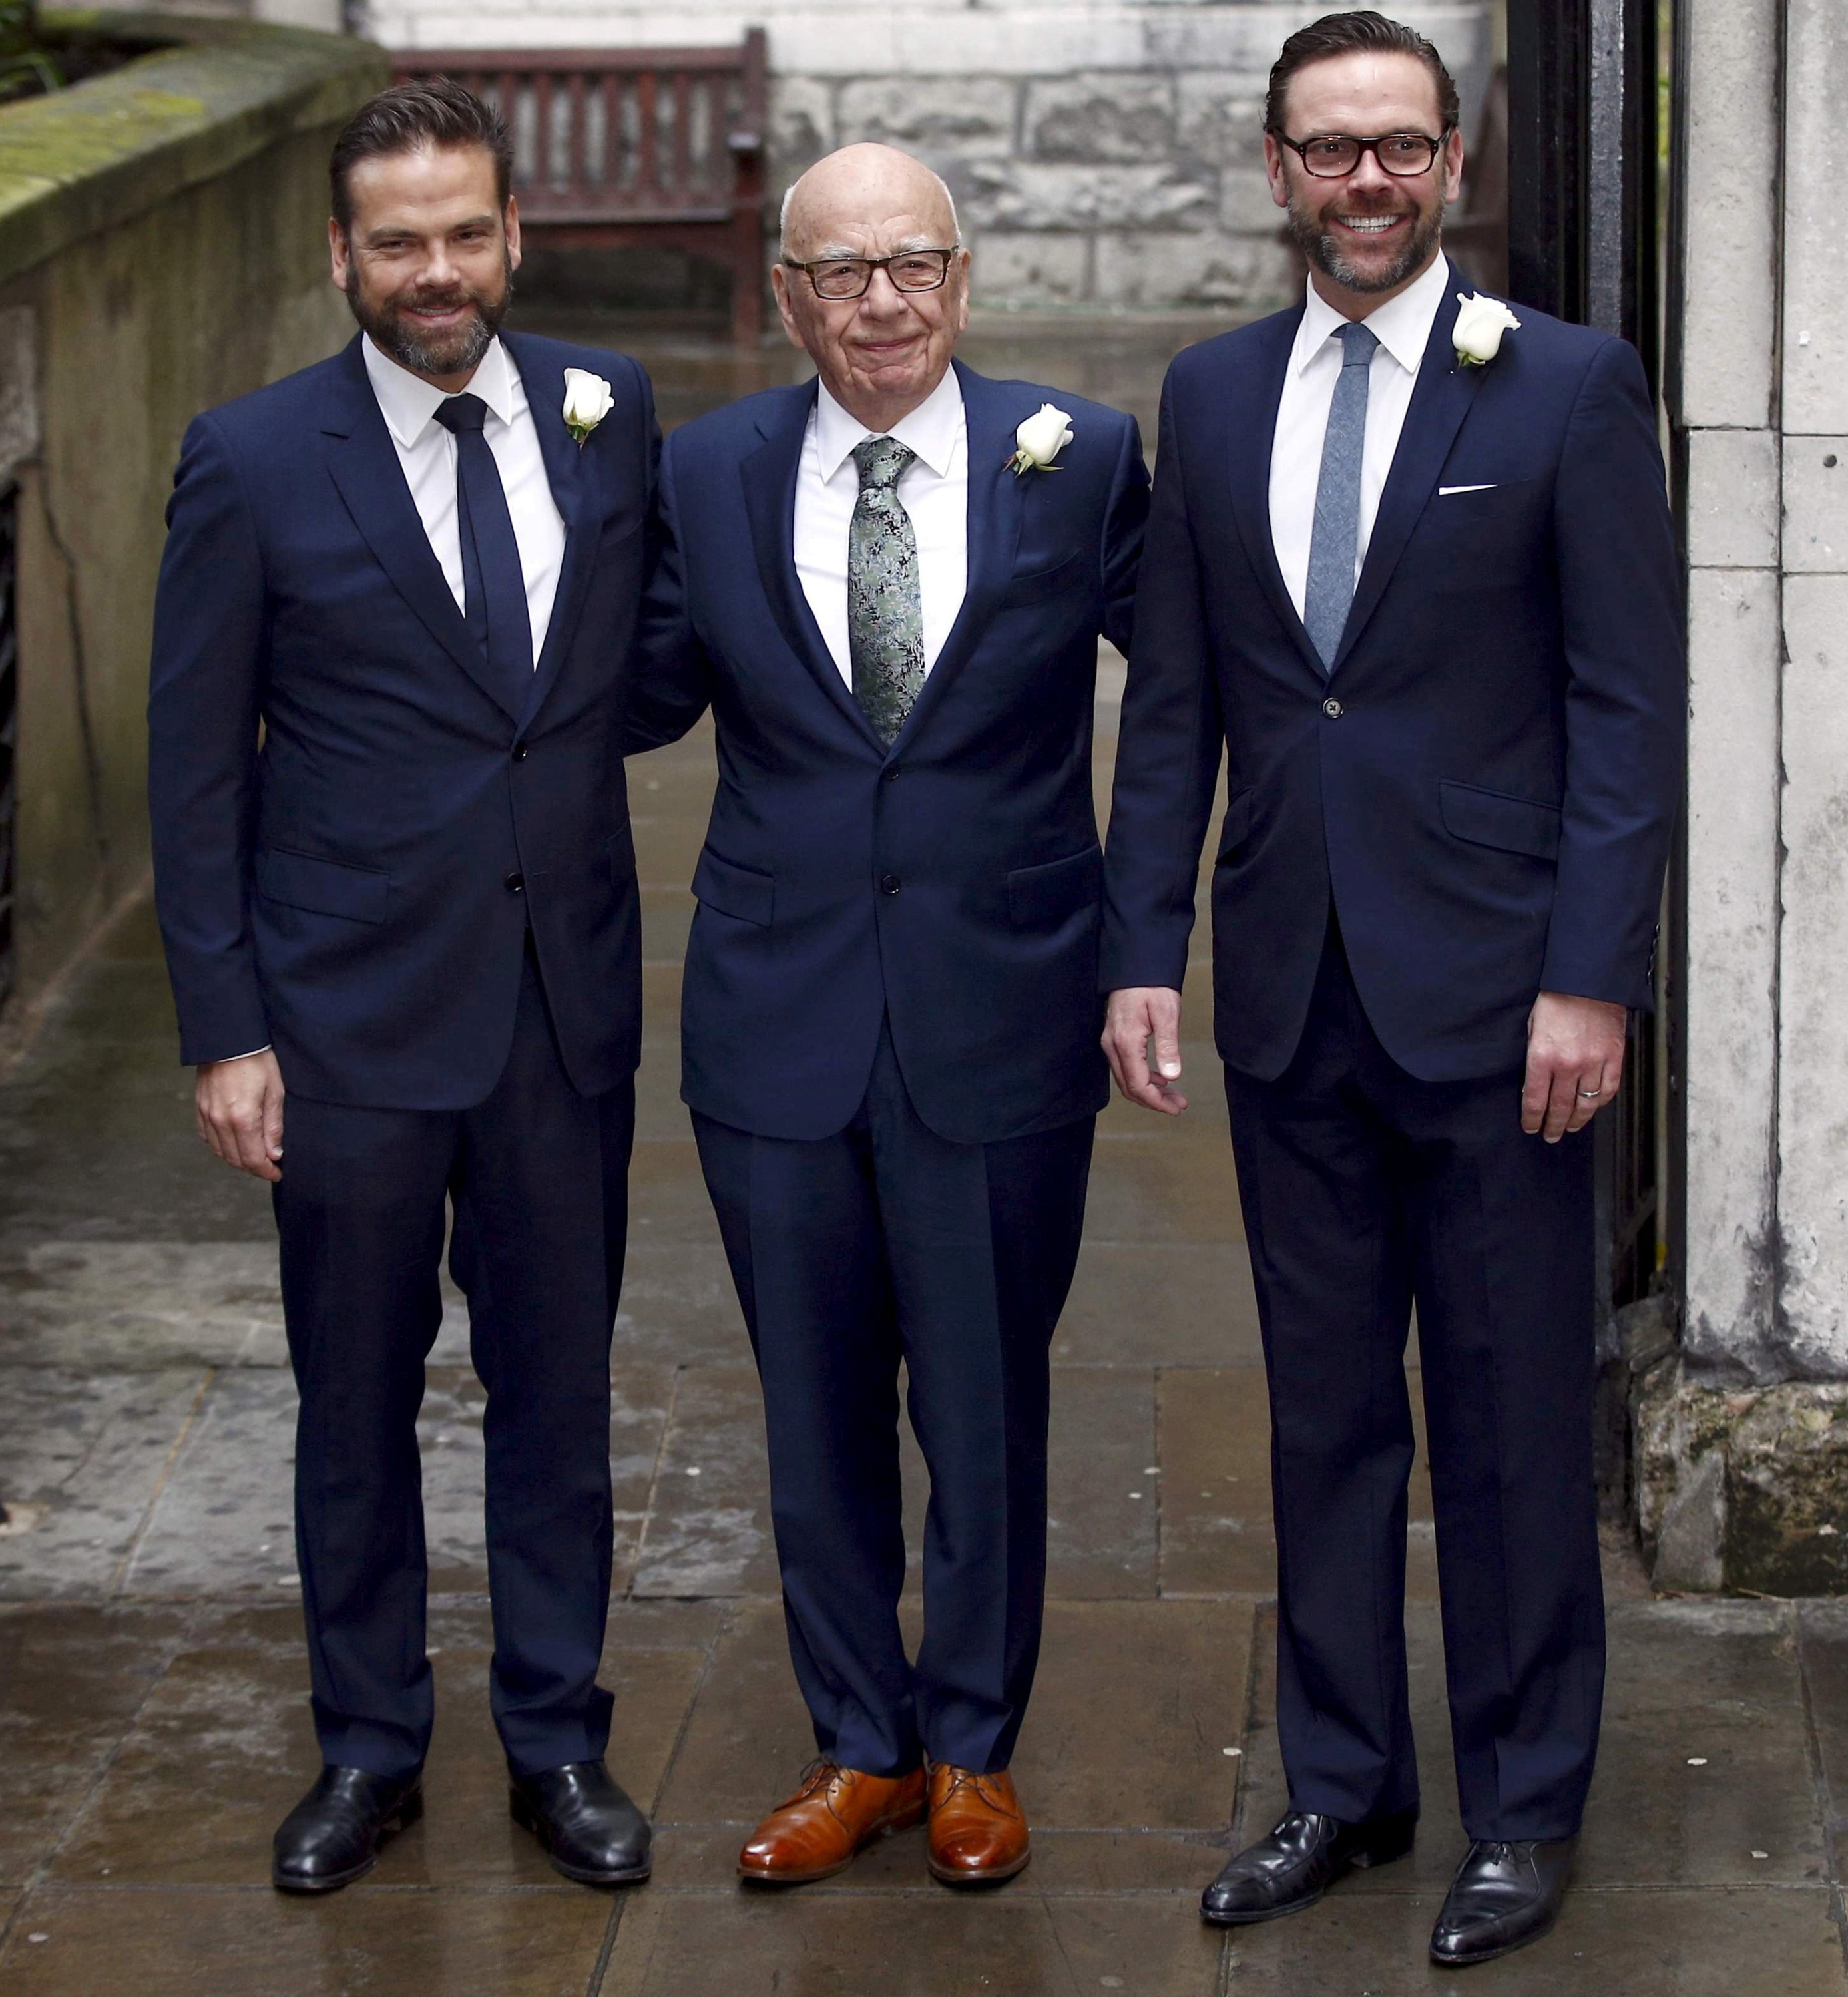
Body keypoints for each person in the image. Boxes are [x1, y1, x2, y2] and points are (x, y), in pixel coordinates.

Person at [1098, 11, 1683, 1968]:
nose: (1365, 182)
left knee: (1513, 1413)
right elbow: (1175, 704)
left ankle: (1525, 1802)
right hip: (1291, 994)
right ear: (1277, 169)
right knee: (1326, 1412)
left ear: (1450, 166)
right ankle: (1345, 1781)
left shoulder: (1570, 392)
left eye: (1400, 149)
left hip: (1508, 1003)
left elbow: (1626, 711)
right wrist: (1141, 952)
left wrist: (1593, 982)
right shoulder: (1210, 391)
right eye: (1329, 149)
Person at [148, 80, 660, 1896]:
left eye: (464, 234)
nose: (436, 272)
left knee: (556, 1394)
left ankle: (558, 1737)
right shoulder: (254, 456)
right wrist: (224, 1028)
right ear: (345, 257)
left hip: (558, 1007)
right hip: (346, 1019)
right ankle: (368, 1745)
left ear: (512, 234)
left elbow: (641, 667)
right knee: (352, 1401)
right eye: (398, 243)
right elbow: (195, 769)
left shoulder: (612, 416)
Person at [629, 142, 1148, 1890]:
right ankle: (858, 1742)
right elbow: (605, 689)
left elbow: (1204, 692)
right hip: (775, 1019)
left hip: (1002, 1008)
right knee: (814, 1403)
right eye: (840, 271)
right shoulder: (702, 473)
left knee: (990, 1399)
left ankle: (975, 1746)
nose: (880, 301)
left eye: (911, 263)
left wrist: (1143, 929)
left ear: (963, 276)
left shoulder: (1076, 464)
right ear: (788, 296)